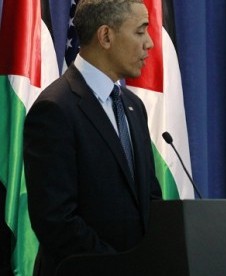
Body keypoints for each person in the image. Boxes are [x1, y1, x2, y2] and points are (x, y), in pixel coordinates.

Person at [23, 1, 162, 275]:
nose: (150, 44)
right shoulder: (55, 108)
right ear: (106, 36)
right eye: (140, 31)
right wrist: (120, 266)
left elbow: (151, 200)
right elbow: (55, 220)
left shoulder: (134, 107)